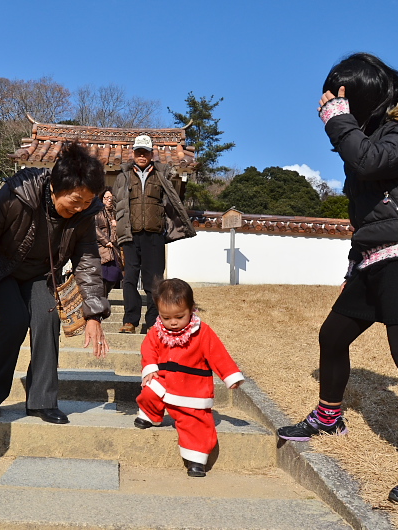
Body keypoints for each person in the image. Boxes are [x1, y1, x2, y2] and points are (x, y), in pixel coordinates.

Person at [277, 53, 398, 505]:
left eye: (341, 97)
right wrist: (353, 266)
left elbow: (369, 162)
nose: (332, 105)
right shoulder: (371, 136)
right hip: (372, 257)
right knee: (333, 335)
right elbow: (365, 214)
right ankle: (329, 418)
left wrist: (336, 119)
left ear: (361, 95)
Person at [0, 142, 111, 426]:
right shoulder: (17, 194)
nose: (80, 208)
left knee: (48, 319)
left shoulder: (85, 215)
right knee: (14, 320)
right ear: (56, 186)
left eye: (87, 202)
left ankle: (42, 401)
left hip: (41, 274)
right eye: (76, 200)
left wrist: (94, 314)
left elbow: (87, 260)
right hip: (2, 270)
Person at [134, 279, 244, 477]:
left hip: (192, 388)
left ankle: (196, 459)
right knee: (149, 392)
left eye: (179, 316)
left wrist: (230, 376)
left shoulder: (201, 331)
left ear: (191, 309)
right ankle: (150, 414)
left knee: (195, 422)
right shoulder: (158, 330)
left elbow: (218, 354)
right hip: (164, 381)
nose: (173, 322)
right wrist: (150, 367)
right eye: (166, 317)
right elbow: (148, 348)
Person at [114, 135, 196, 334]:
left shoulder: (162, 175)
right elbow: (117, 203)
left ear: (151, 154)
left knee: (155, 280)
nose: (142, 155)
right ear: (133, 153)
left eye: (145, 152)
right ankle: (130, 321)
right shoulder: (123, 176)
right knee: (130, 278)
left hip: (155, 235)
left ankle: (152, 321)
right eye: (138, 152)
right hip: (130, 235)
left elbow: (172, 202)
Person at [95, 187, 122, 297]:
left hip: (114, 248)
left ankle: (103, 297)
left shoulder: (115, 213)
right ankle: (102, 298)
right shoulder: (97, 212)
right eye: (106, 197)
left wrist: (116, 226)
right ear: (102, 198)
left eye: (111, 197)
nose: (109, 200)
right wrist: (105, 241)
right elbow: (94, 228)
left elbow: (119, 231)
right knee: (103, 277)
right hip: (101, 248)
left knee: (115, 275)